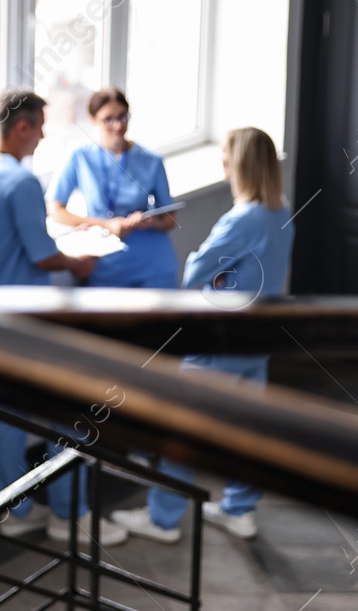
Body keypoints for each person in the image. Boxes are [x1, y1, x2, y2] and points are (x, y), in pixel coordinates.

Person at [109, 127, 292, 544]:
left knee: (181, 428)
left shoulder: (241, 220)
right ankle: (239, 510)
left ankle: (164, 519)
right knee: (246, 430)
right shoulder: (280, 213)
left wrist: (215, 273)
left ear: (239, 164)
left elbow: (193, 272)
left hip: (219, 341)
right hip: (257, 339)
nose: (222, 163)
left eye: (226, 156)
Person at [0, 89, 128, 547]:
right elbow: (41, 256)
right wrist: (78, 263)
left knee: (8, 415)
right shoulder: (21, 182)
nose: (41, 137)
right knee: (65, 411)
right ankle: (69, 514)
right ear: (22, 127)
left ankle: (13, 509)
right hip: (27, 318)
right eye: (39, 127)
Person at [50, 87, 180, 289]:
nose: (118, 125)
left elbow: (170, 220)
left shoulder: (151, 160)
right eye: (108, 119)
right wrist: (103, 224)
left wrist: (149, 221)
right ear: (93, 119)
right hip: (106, 266)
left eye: (123, 117)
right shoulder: (79, 156)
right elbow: (56, 210)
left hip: (154, 266)